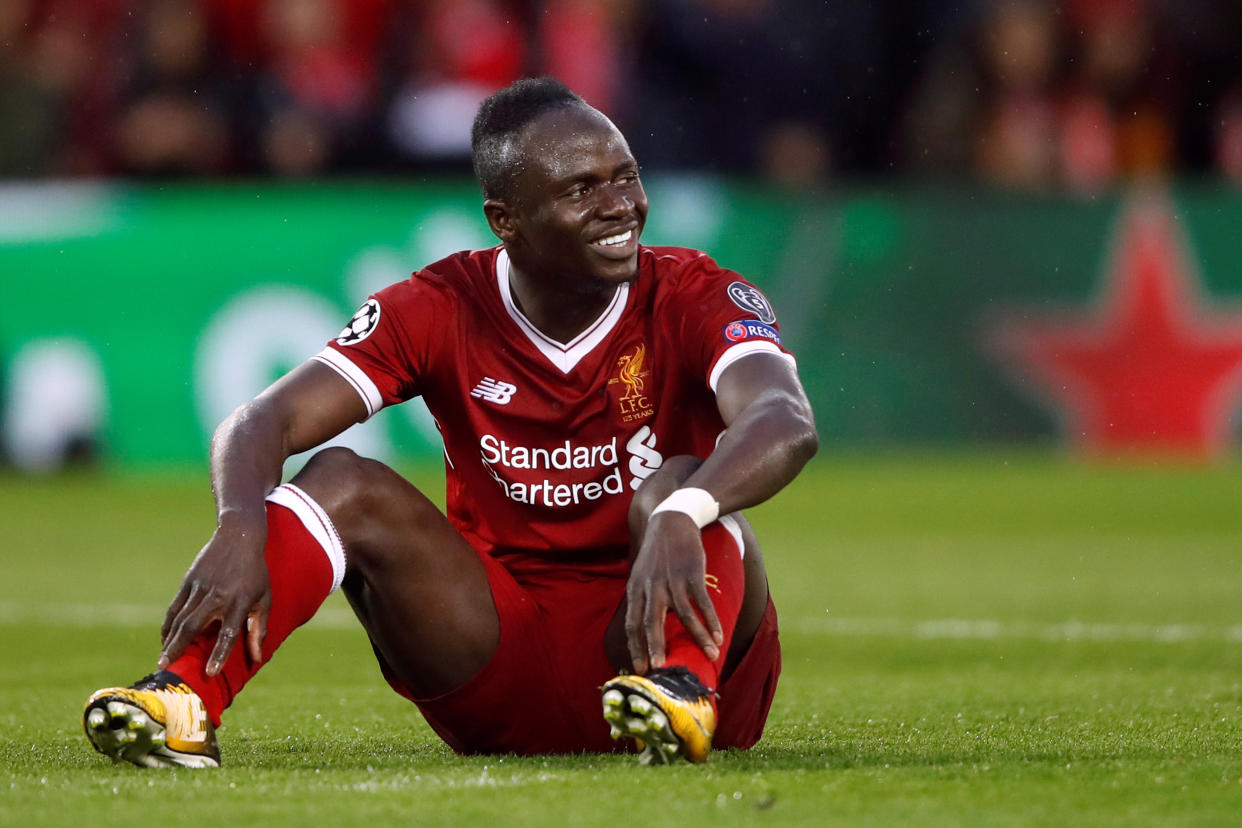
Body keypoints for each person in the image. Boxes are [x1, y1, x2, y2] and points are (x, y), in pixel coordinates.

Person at [82, 77, 818, 767]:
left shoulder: (695, 291)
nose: (620, 205)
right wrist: (240, 526)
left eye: (625, 176)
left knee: (686, 485)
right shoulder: (440, 304)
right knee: (341, 478)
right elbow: (263, 418)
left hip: (662, 639)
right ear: (507, 221)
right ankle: (181, 700)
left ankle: (681, 694)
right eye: (581, 189)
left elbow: (784, 418)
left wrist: (685, 512)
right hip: (500, 660)